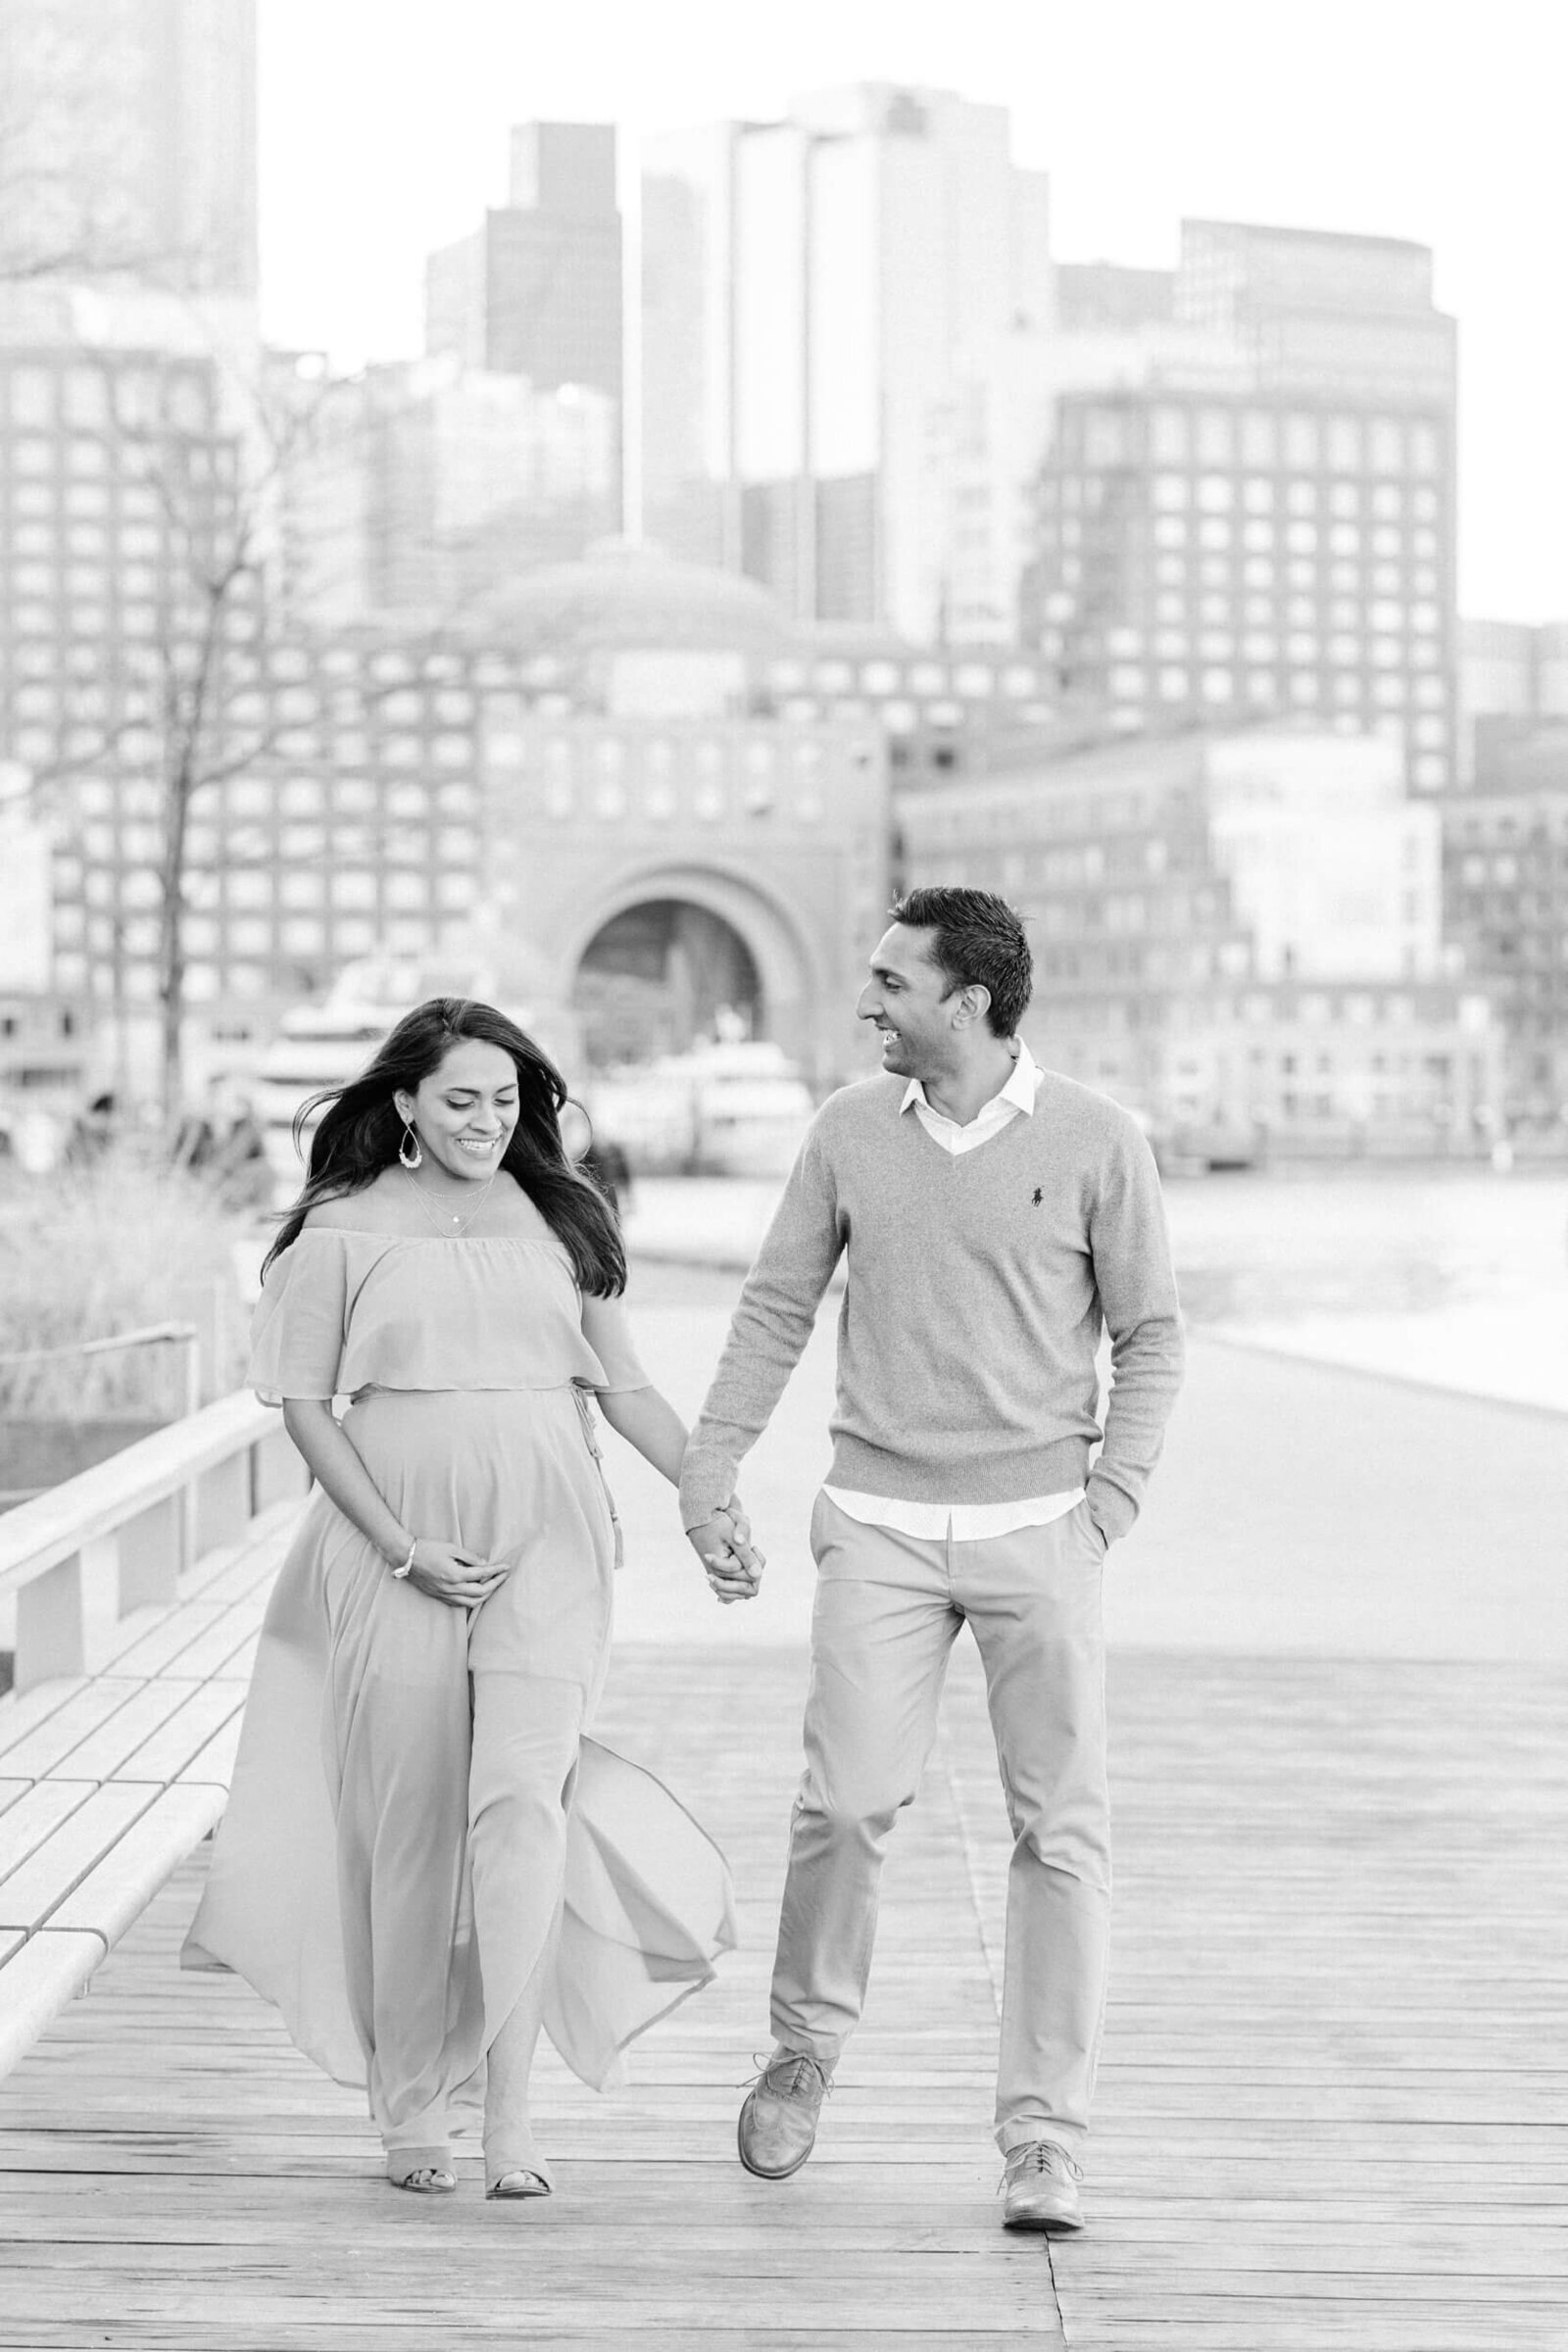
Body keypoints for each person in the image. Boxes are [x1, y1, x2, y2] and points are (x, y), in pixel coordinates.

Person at [184, 998, 760, 2199]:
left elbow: (630, 1389)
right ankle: (412, 2107)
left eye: (506, 1102)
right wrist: (400, 1548)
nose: (487, 1123)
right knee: (409, 1833)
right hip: (391, 1547)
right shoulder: (340, 1229)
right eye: (460, 1100)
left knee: (520, 1811)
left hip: (549, 1539)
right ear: (401, 1102)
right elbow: (302, 1406)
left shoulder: (563, 1216)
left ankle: (509, 2114)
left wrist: (709, 1499)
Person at [678, 888, 1185, 2233]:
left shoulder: (1097, 1140)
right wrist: (710, 1462)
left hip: (1042, 1532)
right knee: (844, 1804)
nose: (871, 1003)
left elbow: (1154, 1336)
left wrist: (1108, 1506)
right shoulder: (849, 1130)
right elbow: (776, 1305)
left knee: (1059, 1836)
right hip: (881, 1525)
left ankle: (1044, 2140)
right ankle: (802, 2051)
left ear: (968, 999)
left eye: (893, 983)